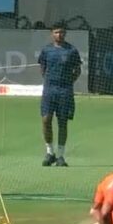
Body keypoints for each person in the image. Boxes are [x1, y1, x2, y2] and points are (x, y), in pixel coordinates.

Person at [38, 22, 82, 167]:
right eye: (56, 32)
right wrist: (50, 81)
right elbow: (43, 68)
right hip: (49, 90)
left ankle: (61, 156)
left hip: (65, 91)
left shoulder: (71, 51)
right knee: (46, 120)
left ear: (65, 34)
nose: (59, 35)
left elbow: (77, 70)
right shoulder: (46, 50)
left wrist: (68, 82)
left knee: (62, 122)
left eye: (62, 32)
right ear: (52, 34)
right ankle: (50, 152)